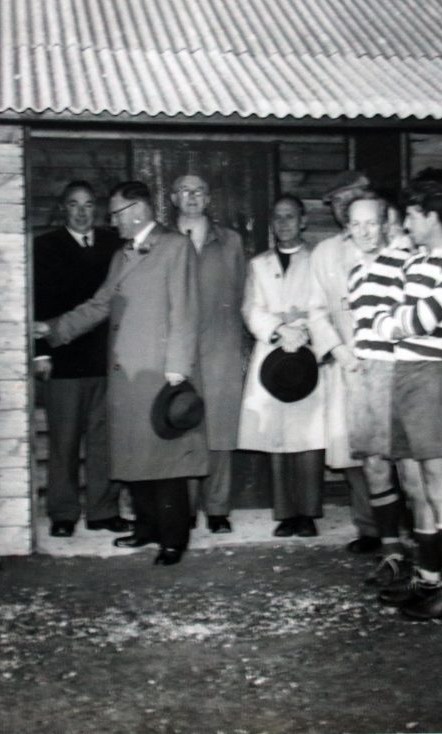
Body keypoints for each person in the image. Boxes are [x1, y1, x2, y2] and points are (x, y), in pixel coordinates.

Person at [35, 181, 208, 566]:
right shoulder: (122, 254)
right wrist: (54, 329)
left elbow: (185, 310)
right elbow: (100, 305)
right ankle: (147, 528)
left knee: (166, 459)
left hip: (160, 372)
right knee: (134, 455)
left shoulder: (175, 247)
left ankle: (173, 539)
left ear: (137, 211)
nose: (112, 223)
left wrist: (178, 367)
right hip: (127, 374)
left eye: (115, 215)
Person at [368, 184, 442, 620]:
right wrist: (393, 321)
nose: (406, 226)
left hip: (434, 376)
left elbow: (422, 319)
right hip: (405, 374)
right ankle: (429, 578)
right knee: (416, 484)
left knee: (438, 482)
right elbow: (380, 306)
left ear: (432, 217)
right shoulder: (417, 260)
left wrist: (392, 322)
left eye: (411, 217)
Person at [33, 181, 130, 538]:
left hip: (105, 361)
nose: (81, 211)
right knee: (64, 442)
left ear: (98, 209)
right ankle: (63, 512)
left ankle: (103, 511)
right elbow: (36, 306)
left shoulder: (114, 246)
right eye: (73, 204)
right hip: (62, 363)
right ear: (63, 208)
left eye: (88, 205)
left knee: (105, 441)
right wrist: (40, 353)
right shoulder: (44, 247)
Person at [238, 195, 326, 538]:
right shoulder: (259, 264)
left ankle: (308, 512)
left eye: (291, 217)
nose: (284, 223)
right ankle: (285, 512)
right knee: (277, 435)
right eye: (278, 218)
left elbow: (324, 305)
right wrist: (278, 329)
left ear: (303, 221)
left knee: (309, 435)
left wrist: (301, 327)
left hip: (307, 353)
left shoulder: (317, 260)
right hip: (273, 355)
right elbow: (250, 309)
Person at [345, 194, 418, 589]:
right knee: (374, 465)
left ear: (385, 223)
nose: (364, 231)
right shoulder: (355, 271)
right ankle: (392, 552)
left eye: (371, 223)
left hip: (397, 371)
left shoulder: (404, 262)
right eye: (356, 225)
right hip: (365, 374)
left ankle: (429, 558)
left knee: (409, 468)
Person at [309, 173, 381, 553]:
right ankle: (369, 527)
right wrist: (340, 351)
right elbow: (315, 309)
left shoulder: (386, 243)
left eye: (352, 199)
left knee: (392, 447)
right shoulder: (324, 253)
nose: (343, 208)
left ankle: (405, 527)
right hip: (345, 360)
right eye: (337, 203)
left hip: (388, 359)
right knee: (353, 448)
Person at [171, 174, 245, 534]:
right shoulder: (164, 241)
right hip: (179, 350)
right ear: (173, 198)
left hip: (221, 346)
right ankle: (183, 509)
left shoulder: (230, 241)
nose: (192, 197)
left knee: (219, 430)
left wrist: (241, 349)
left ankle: (217, 508)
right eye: (185, 191)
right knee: (183, 424)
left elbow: (244, 296)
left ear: (208, 198)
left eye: (199, 191)